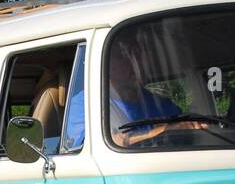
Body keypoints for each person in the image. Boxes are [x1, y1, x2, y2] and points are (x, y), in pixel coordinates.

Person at [63, 38, 208, 149]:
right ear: (104, 62)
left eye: (138, 53)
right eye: (123, 55)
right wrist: (164, 131)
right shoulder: (86, 103)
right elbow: (94, 148)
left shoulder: (162, 104)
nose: (135, 62)